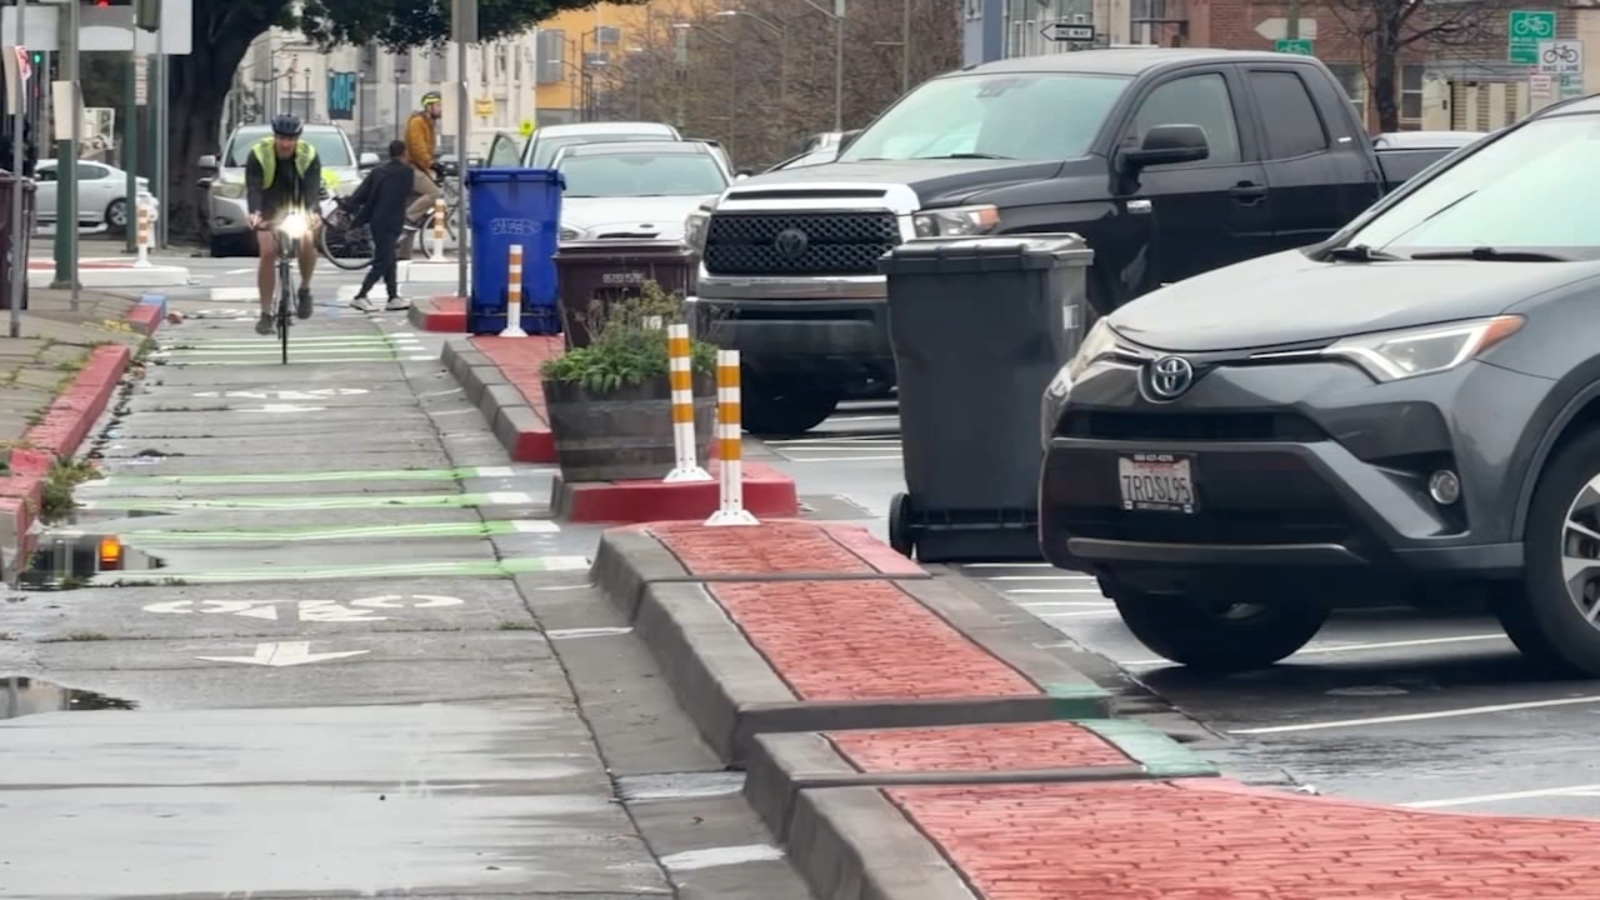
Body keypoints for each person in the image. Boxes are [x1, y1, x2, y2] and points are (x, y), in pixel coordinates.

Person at [245, 114, 322, 336]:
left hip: (298, 207)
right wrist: (255, 213)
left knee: (308, 240)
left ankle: (305, 288)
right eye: (281, 138)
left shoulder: (309, 154)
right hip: (269, 208)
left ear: (297, 138)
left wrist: (313, 212)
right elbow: (254, 187)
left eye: (290, 139)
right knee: (268, 252)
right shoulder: (259, 153)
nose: (285, 144)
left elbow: (312, 189)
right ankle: (265, 313)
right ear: (274, 136)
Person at [346, 140, 414, 313]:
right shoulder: (407, 172)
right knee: (383, 260)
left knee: (390, 259)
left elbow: (362, 193)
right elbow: (406, 194)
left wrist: (347, 208)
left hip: (376, 220)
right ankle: (361, 295)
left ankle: (393, 297)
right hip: (392, 221)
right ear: (404, 152)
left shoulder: (378, 171)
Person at [402, 91, 444, 257]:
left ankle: (403, 254)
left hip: (420, 168)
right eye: (438, 105)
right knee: (435, 194)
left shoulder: (429, 124)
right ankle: (408, 218)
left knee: (412, 219)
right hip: (411, 168)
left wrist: (433, 167)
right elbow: (417, 148)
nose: (441, 109)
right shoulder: (418, 122)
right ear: (429, 106)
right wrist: (431, 164)